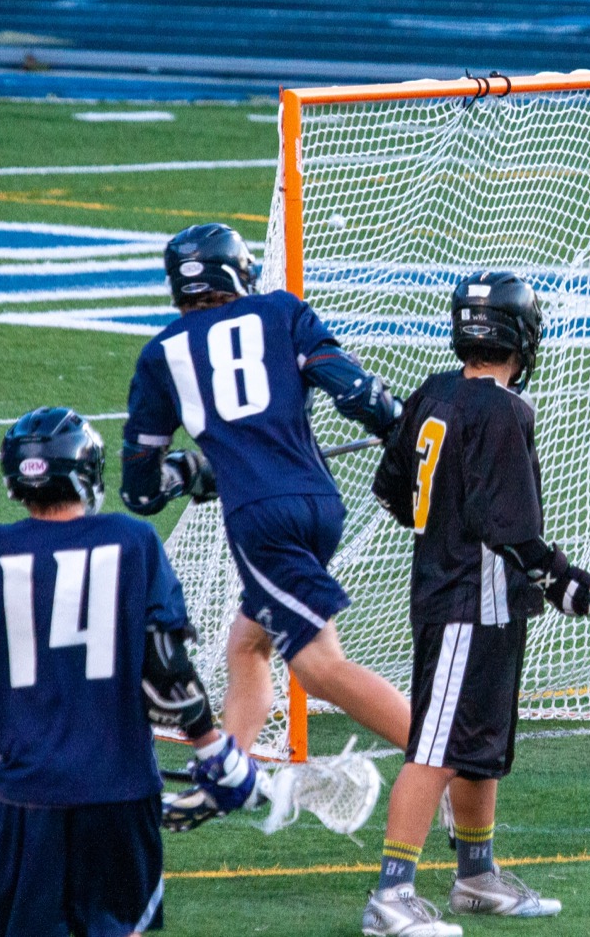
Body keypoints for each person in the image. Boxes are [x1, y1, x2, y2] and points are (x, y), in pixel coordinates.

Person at [0, 406, 258, 937]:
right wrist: (216, 752)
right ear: (87, 472)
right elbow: (167, 679)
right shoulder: (133, 541)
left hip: (28, 796)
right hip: (122, 794)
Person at [121, 222, 411, 780]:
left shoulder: (163, 356)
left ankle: (437, 757)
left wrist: (193, 470)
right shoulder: (282, 311)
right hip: (321, 503)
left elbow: (141, 491)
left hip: (260, 519)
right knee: (248, 642)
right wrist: (397, 420)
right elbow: (354, 392)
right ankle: (228, 765)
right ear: (238, 272)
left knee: (320, 667)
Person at [362, 270, 590, 937]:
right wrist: (564, 577)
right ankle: (392, 895)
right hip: (468, 600)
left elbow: (393, 492)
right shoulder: (505, 412)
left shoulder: (434, 393)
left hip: (466, 594)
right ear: (522, 336)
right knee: (435, 746)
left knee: (478, 744)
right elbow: (512, 529)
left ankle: (476, 875)